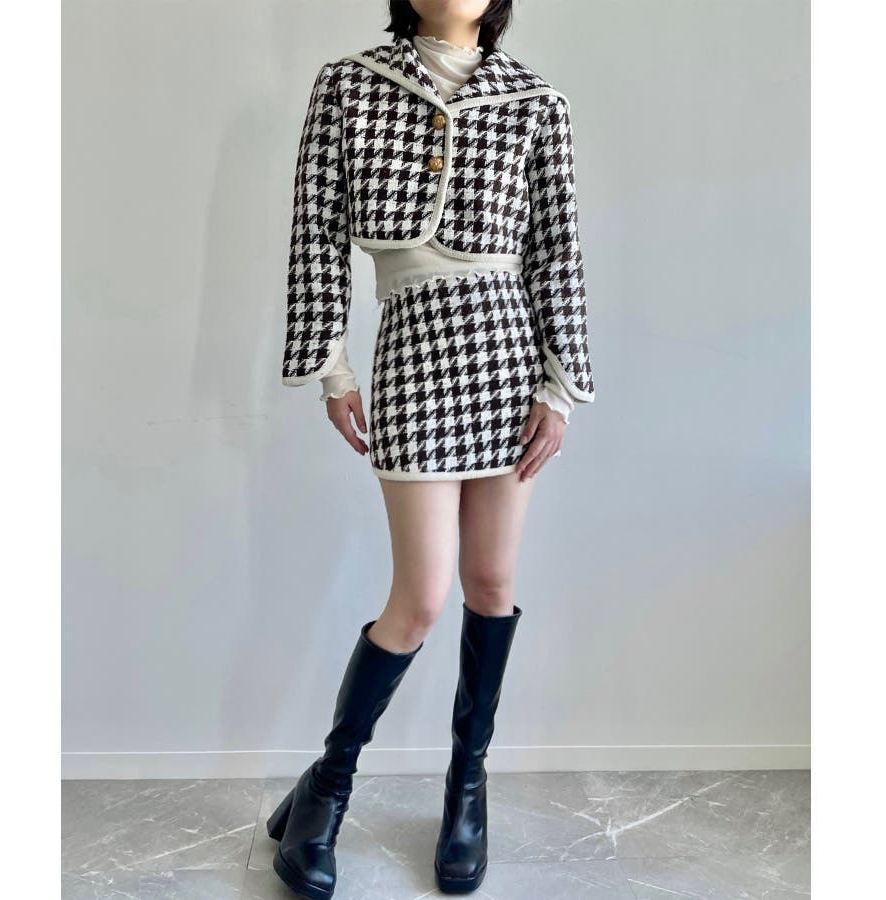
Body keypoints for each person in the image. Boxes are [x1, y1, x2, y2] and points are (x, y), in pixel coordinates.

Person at [271, 1, 594, 896]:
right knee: (418, 599)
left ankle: (466, 790)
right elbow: (315, 233)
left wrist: (560, 387)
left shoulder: (536, 101)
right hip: (413, 350)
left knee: (491, 582)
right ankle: (327, 789)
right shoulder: (349, 86)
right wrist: (333, 368)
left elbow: (557, 251)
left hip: (510, 357)